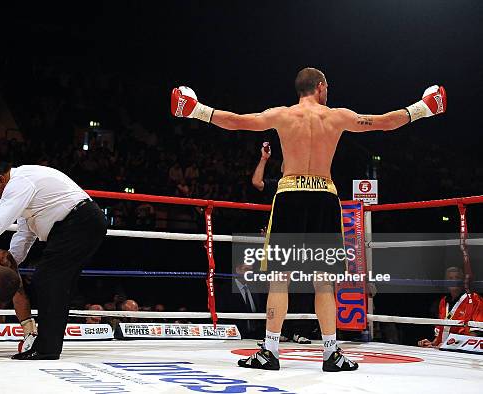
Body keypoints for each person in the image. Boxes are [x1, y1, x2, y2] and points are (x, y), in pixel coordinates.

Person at [171, 67, 446, 371]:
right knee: (324, 283)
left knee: (279, 279)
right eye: (327, 86)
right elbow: (384, 122)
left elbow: (237, 121)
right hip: (324, 198)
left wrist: (194, 110)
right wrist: (425, 108)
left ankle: (270, 352)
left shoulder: (282, 115)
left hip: (289, 195)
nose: (328, 91)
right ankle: (330, 354)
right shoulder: (336, 116)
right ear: (319, 86)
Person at [0, 161, 107, 360]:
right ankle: (47, 346)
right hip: (78, 225)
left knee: (47, 280)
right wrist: (11, 262)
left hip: (78, 223)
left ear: (0, 179)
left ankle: (47, 348)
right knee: (55, 283)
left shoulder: (19, 182)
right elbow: (25, 234)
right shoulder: (25, 190)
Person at [252, 141, 315, 344]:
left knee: (301, 285)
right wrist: (263, 159)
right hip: (281, 237)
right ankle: (277, 332)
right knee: (277, 284)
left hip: (303, 239)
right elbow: (257, 183)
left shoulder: (309, 186)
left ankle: (300, 330)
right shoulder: (278, 184)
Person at [418, 267, 482, 347]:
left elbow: (475, 335)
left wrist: (449, 345)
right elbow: (441, 333)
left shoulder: (474, 299)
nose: (453, 281)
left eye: (457, 278)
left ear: (462, 281)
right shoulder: (443, 301)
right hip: (443, 352)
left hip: (462, 353)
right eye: (450, 278)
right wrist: (433, 343)